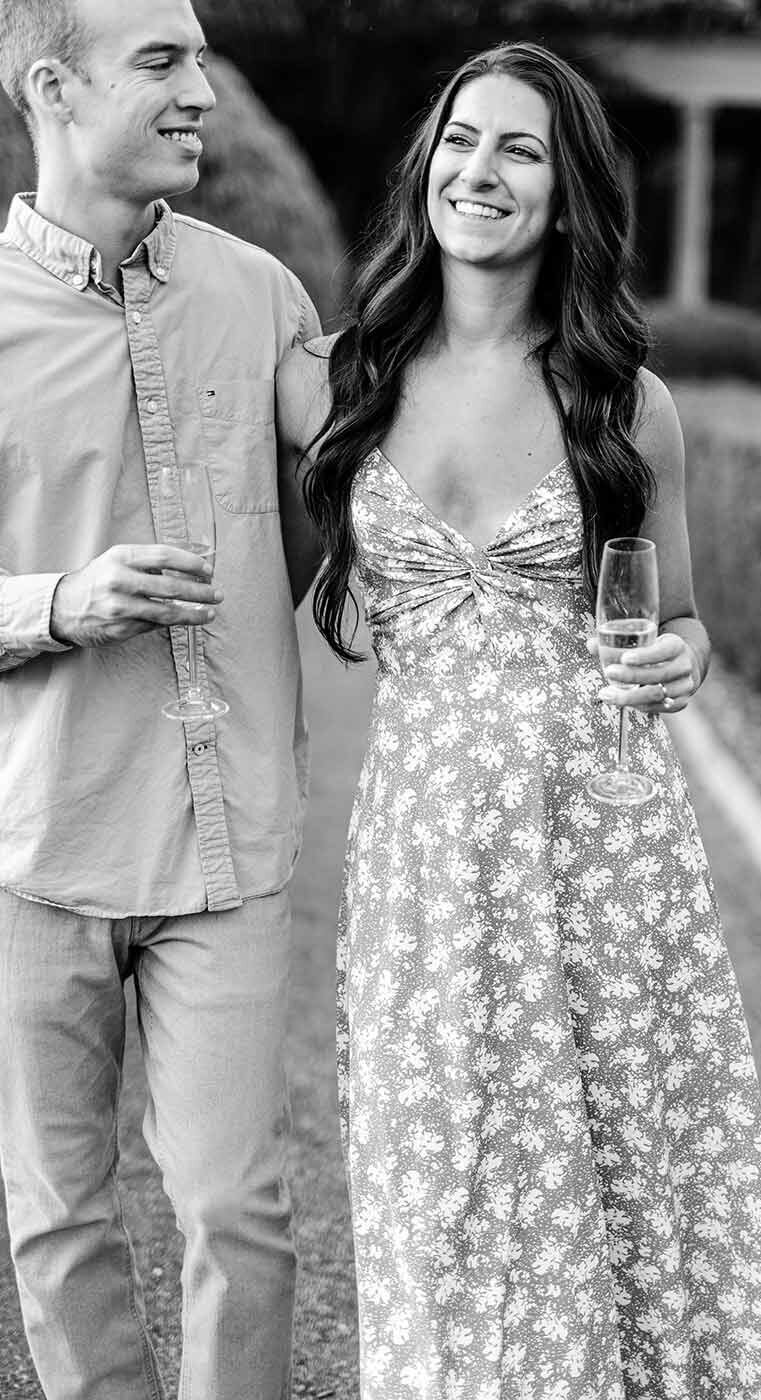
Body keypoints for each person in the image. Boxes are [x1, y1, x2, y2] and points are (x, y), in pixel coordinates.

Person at [278, 40, 761, 1400]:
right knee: (449, 1174)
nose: (482, 169)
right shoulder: (338, 381)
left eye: (520, 149)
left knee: (637, 1174)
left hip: (605, 853)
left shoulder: (628, 401)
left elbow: (683, 616)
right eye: (463, 139)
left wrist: (679, 661)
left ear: (567, 193)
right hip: (426, 864)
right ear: (428, 166)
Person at [0, 0, 321, 1396]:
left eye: (198, 57)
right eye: (164, 61)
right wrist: (68, 602)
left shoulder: (263, 295)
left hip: (229, 842)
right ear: (54, 85)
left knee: (237, 1215)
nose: (204, 88)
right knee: (60, 1223)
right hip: (33, 850)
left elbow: (395, 494)